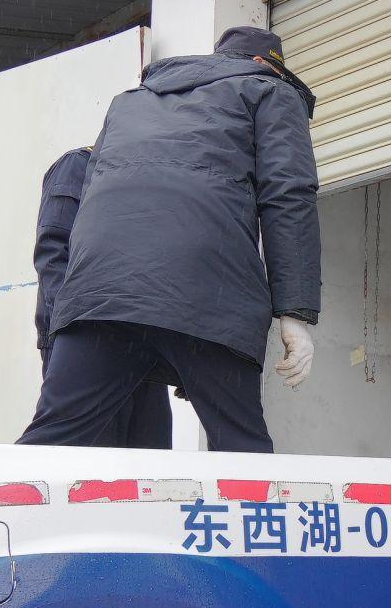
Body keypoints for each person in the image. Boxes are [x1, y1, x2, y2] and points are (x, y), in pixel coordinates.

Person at [18, 26, 318, 454]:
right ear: (262, 63)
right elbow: (288, 196)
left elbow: (89, 201)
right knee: (241, 448)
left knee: (51, 442)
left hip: (100, 297)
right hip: (207, 290)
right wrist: (294, 314)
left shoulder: (129, 103)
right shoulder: (270, 90)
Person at [31, 145, 172, 448]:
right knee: (79, 455)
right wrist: (69, 332)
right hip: (84, 340)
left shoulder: (139, 173)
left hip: (139, 342)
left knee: (149, 459)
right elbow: (54, 254)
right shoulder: (78, 165)